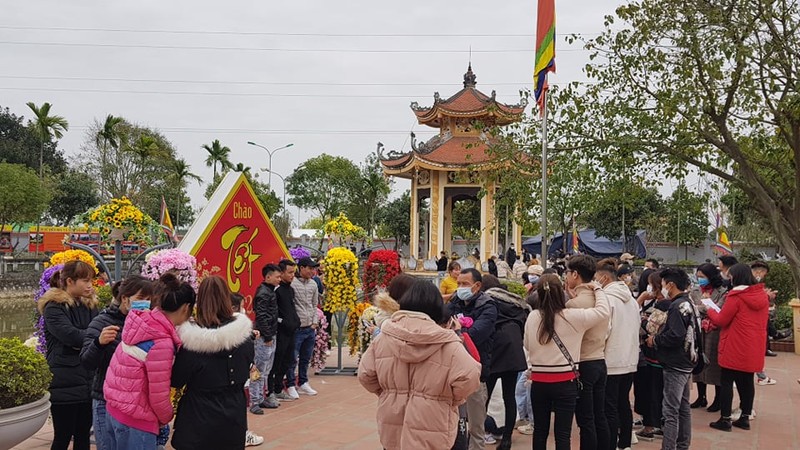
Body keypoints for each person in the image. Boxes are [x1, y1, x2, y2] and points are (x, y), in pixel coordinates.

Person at [358, 280, 481, 450]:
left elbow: (365, 374)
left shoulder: (384, 338)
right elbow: (470, 376)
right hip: (434, 425)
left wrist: (389, 392)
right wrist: (452, 398)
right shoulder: (448, 342)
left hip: (392, 424)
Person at [103, 273, 195, 449]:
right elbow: (158, 395)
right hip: (137, 421)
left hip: (115, 410)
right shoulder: (161, 342)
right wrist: (166, 417)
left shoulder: (141, 322)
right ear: (186, 308)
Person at [524, 273, 610, 450]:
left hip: (539, 382)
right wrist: (598, 289)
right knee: (562, 435)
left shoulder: (532, 317)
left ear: (538, 293)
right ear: (561, 291)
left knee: (540, 431)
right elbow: (603, 312)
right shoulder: (574, 317)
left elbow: (526, 344)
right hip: (565, 382)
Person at [170, 276, 255, 450]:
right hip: (233, 415)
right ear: (227, 298)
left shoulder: (192, 342)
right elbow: (246, 368)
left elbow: (177, 380)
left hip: (198, 418)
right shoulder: (244, 337)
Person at [81, 275, 153, 450]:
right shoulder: (103, 322)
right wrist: (99, 343)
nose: (145, 304)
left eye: (150, 300)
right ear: (125, 299)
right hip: (106, 401)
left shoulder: (150, 325)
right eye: (141, 299)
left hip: (137, 401)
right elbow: (86, 362)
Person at [39, 260, 99, 450]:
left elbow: (95, 332)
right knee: (63, 436)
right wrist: (92, 340)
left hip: (89, 377)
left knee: (83, 435)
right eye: (85, 280)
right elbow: (71, 336)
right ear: (70, 281)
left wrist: (88, 340)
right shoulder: (54, 307)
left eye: (91, 280)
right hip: (64, 380)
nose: (90, 285)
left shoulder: (90, 305)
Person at [706, 263, 769, 432]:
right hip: (754, 345)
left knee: (726, 381)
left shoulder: (736, 296)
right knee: (747, 382)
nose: (729, 278)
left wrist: (709, 310)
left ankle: (725, 419)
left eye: (731, 275)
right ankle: (744, 417)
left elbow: (721, 320)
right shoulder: (762, 296)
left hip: (735, 344)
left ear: (737, 277)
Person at [645, 267, 702, 450]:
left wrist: (655, 339)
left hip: (676, 363)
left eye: (662, 285)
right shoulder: (689, 303)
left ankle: (669, 446)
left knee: (670, 410)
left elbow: (675, 335)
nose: (662, 288)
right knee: (683, 407)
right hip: (687, 362)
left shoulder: (677, 307)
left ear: (670, 285)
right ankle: (683, 444)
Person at [447, 268, 498, 450]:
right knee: (452, 424)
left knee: (476, 426)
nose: (460, 288)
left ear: (477, 286)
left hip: (476, 373)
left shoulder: (488, 306)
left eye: (465, 284)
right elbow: (443, 326)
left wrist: (459, 330)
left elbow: (477, 334)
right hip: (452, 373)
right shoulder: (454, 302)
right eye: (458, 283)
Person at [565, 255, 611, 450]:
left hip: (583, 363)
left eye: (567, 272)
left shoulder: (574, 305)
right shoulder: (601, 298)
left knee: (585, 420)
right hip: (600, 360)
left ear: (575, 274)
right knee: (599, 415)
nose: (566, 276)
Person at [595, 259, 640, 450]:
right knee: (623, 403)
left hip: (611, 360)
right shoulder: (631, 300)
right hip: (629, 359)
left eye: (596, 278)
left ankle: (611, 444)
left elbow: (604, 331)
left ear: (604, 278)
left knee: (609, 408)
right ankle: (625, 444)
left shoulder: (606, 299)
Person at [481, 275, 530, 450]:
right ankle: (507, 438)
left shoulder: (486, 301)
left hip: (493, 353)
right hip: (513, 353)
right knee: (509, 397)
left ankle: (480, 435)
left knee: (483, 397)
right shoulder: (515, 303)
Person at [635, 271, 669, 441]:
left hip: (655, 355)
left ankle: (651, 425)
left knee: (652, 392)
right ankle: (656, 423)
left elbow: (651, 327)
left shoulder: (663, 304)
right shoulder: (660, 302)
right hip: (657, 355)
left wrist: (639, 306)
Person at [689, 263, 728, 412]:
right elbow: (693, 307)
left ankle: (718, 399)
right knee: (699, 362)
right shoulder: (695, 291)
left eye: (703, 277)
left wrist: (704, 307)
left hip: (715, 333)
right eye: (698, 277)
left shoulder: (722, 291)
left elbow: (720, 310)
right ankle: (701, 397)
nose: (700, 280)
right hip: (699, 331)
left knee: (715, 366)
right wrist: (706, 307)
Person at [230, 293, 266, 448]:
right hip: (237, 371)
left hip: (232, 371)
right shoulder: (237, 321)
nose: (244, 310)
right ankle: (242, 434)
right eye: (242, 306)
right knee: (237, 404)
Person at [249, 263, 281, 414]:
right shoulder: (263, 293)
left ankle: (261, 398)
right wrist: (267, 335)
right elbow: (261, 316)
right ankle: (254, 402)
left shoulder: (270, 291)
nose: (279, 279)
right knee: (259, 369)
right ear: (268, 277)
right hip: (264, 337)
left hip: (270, 334)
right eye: (277, 276)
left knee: (266, 369)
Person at [288, 257, 321, 397]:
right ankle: (290, 384)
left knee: (306, 358)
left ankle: (303, 382)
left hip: (310, 327)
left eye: (314, 268)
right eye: (310, 268)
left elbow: (315, 305)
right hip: (297, 328)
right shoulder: (292, 284)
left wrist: (315, 322)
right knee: (292, 358)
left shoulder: (313, 284)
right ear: (301, 268)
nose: (312, 271)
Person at [270, 259, 301, 401]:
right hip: (281, 332)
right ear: (281, 273)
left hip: (292, 332)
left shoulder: (291, 290)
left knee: (288, 360)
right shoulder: (276, 290)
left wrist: (295, 322)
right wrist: (283, 323)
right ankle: (271, 391)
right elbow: (273, 313)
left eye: (293, 272)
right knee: (276, 361)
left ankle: (278, 389)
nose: (292, 275)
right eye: (289, 272)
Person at [751, 261, 784, 384]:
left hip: (757, 324)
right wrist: (766, 296)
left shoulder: (753, 283)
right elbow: (753, 302)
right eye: (764, 273)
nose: (763, 275)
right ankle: (761, 376)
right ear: (759, 272)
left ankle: (761, 376)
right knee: (755, 351)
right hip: (752, 325)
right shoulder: (749, 283)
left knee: (756, 351)